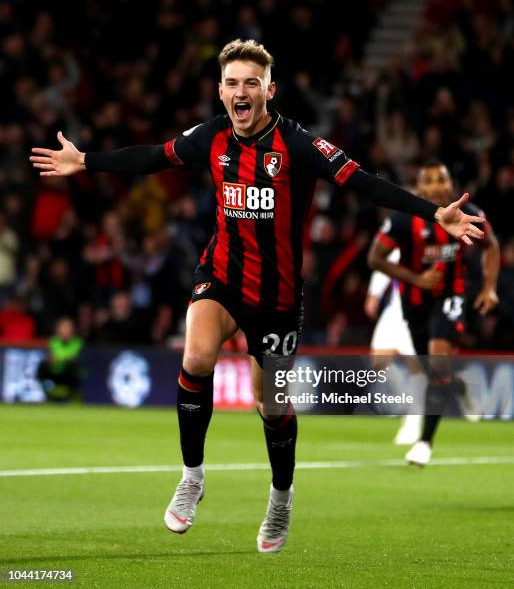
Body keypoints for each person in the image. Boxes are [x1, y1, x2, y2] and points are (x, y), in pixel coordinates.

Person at [30, 40, 485, 552]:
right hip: (221, 275)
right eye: (231, 83)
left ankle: (281, 498)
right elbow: (154, 158)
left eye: (251, 83)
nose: (240, 92)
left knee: (271, 406)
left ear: (269, 90)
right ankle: (193, 477)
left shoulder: (299, 146)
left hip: (276, 296)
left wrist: (432, 213)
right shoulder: (212, 136)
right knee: (197, 356)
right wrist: (86, 160)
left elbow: (365, 184)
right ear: (220, 91)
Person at [368, 162, 500, 466]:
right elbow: (375, 258)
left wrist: (489, 287)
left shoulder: (469, 211)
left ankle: (424, 443)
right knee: (434, 371)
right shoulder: (404, 218)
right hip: (414, 302)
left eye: (442, 179)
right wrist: (414, 279)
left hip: (451, 296)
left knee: (438, 358)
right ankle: (461, 387)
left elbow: (491, 246)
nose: (437, 186)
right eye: (429, 181)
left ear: (451, 183)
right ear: (419, 188)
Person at [364, 249, 425, 445]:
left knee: (417, 365)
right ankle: (408, 403)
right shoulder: (402, 235)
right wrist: (374, 294)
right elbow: (384, 262)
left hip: (420, 311)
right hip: (396, 309)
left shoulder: (438, 241)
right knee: (378, 362)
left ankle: (413, 422)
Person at [37, 316, 85, 401]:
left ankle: (73, 394)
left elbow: (80, 359)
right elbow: (48, 356)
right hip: (54, 371)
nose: (66, 329)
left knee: (72, 366)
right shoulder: (52, 341)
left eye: (68, 327)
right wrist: (50, 359)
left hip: (69, 374)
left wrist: (64, 360)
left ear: (73, 329)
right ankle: (47, 392)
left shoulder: (78, 342)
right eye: (63, 327)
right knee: (42, 366)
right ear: (58, 329)